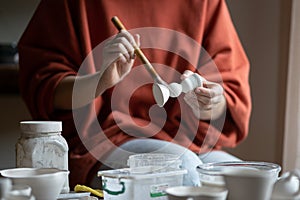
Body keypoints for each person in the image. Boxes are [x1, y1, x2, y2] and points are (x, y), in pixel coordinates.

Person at [18, 0, 251, 188]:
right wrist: (100, 80)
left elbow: (228, 91)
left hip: (188, 139)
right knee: (181, 171)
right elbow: (46, 85)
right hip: (107, 140)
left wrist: (211, 102)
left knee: (250, 179)